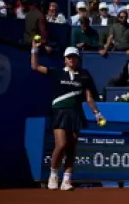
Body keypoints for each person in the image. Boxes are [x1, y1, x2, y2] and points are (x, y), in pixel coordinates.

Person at [31, 40, 105, 191]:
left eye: (74, 57)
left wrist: (97, 114)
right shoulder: (57, 72)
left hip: (75, 113)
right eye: (69, 57)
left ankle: (67, 179)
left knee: (71, 147)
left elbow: (89, 97)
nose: (72, 59)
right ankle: (53, 174)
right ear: (65, 59)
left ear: (78, 59)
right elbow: (35, 66)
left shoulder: (84, 76)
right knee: (61, 144)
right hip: (60, 113)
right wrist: (34, 51)